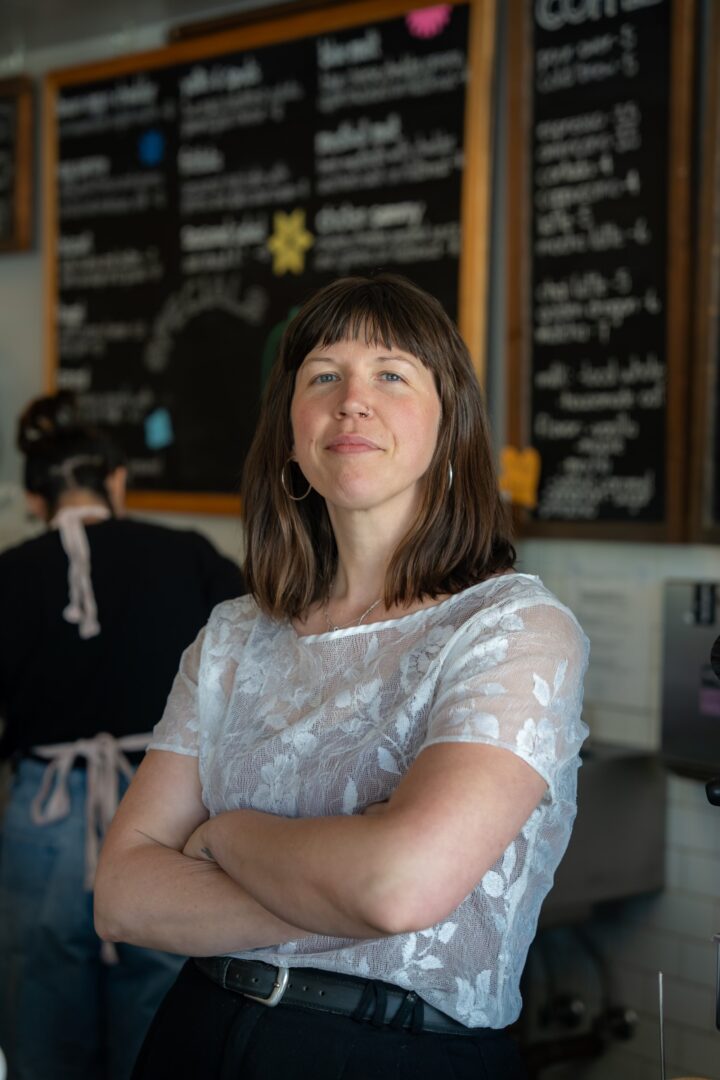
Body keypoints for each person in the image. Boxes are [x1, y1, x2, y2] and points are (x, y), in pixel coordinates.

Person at [95, 273, 589, 1080]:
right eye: (323, 376)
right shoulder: (233, 636)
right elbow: (122, 896)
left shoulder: (511, 630)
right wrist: (343, 883)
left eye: (391, 375)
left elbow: (398, 888)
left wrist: (223, 838)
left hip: (395, 1055)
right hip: (196, 1035)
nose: (353, 401)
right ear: (290, 433)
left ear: (449, 426)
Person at [0, 392, 245, 1080]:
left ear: (35, 497)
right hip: (165, 808)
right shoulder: (188, 555)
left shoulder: (10, 572)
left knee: (39, 1004)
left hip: (42, 811)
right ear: (116, 480)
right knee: (161, 999)